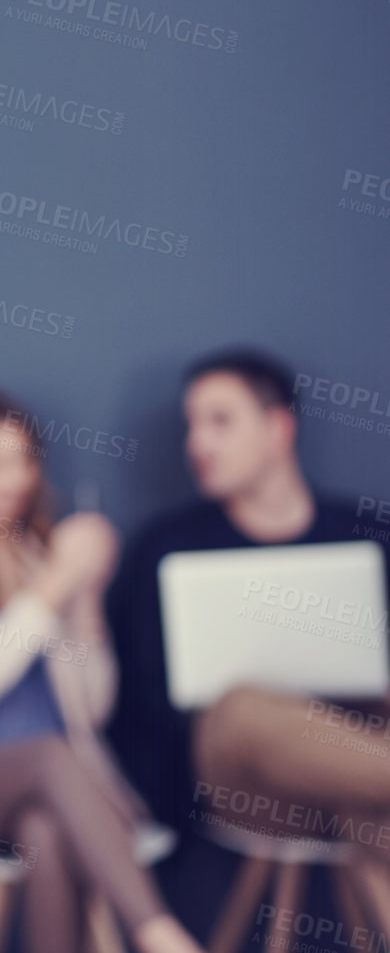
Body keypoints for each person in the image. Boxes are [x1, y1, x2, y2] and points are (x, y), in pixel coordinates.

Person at [0, 385, 203, 953]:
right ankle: (160, 934)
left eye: (23, 459)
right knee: (50, 754)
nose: (15, 479)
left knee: (43, 831)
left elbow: (93, 708)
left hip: (56, 788)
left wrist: (87, 600)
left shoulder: (45, 557)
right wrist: (55, 585)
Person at [108, 349, 390, 874]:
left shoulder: (365, 531)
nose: (198, 444)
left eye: (219, 422)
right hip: (242, 781)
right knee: (242, 707)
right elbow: (146, 704)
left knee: (371, 811)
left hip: (356, 772)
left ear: (277, 428)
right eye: (192, 425)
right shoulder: (166, 546)